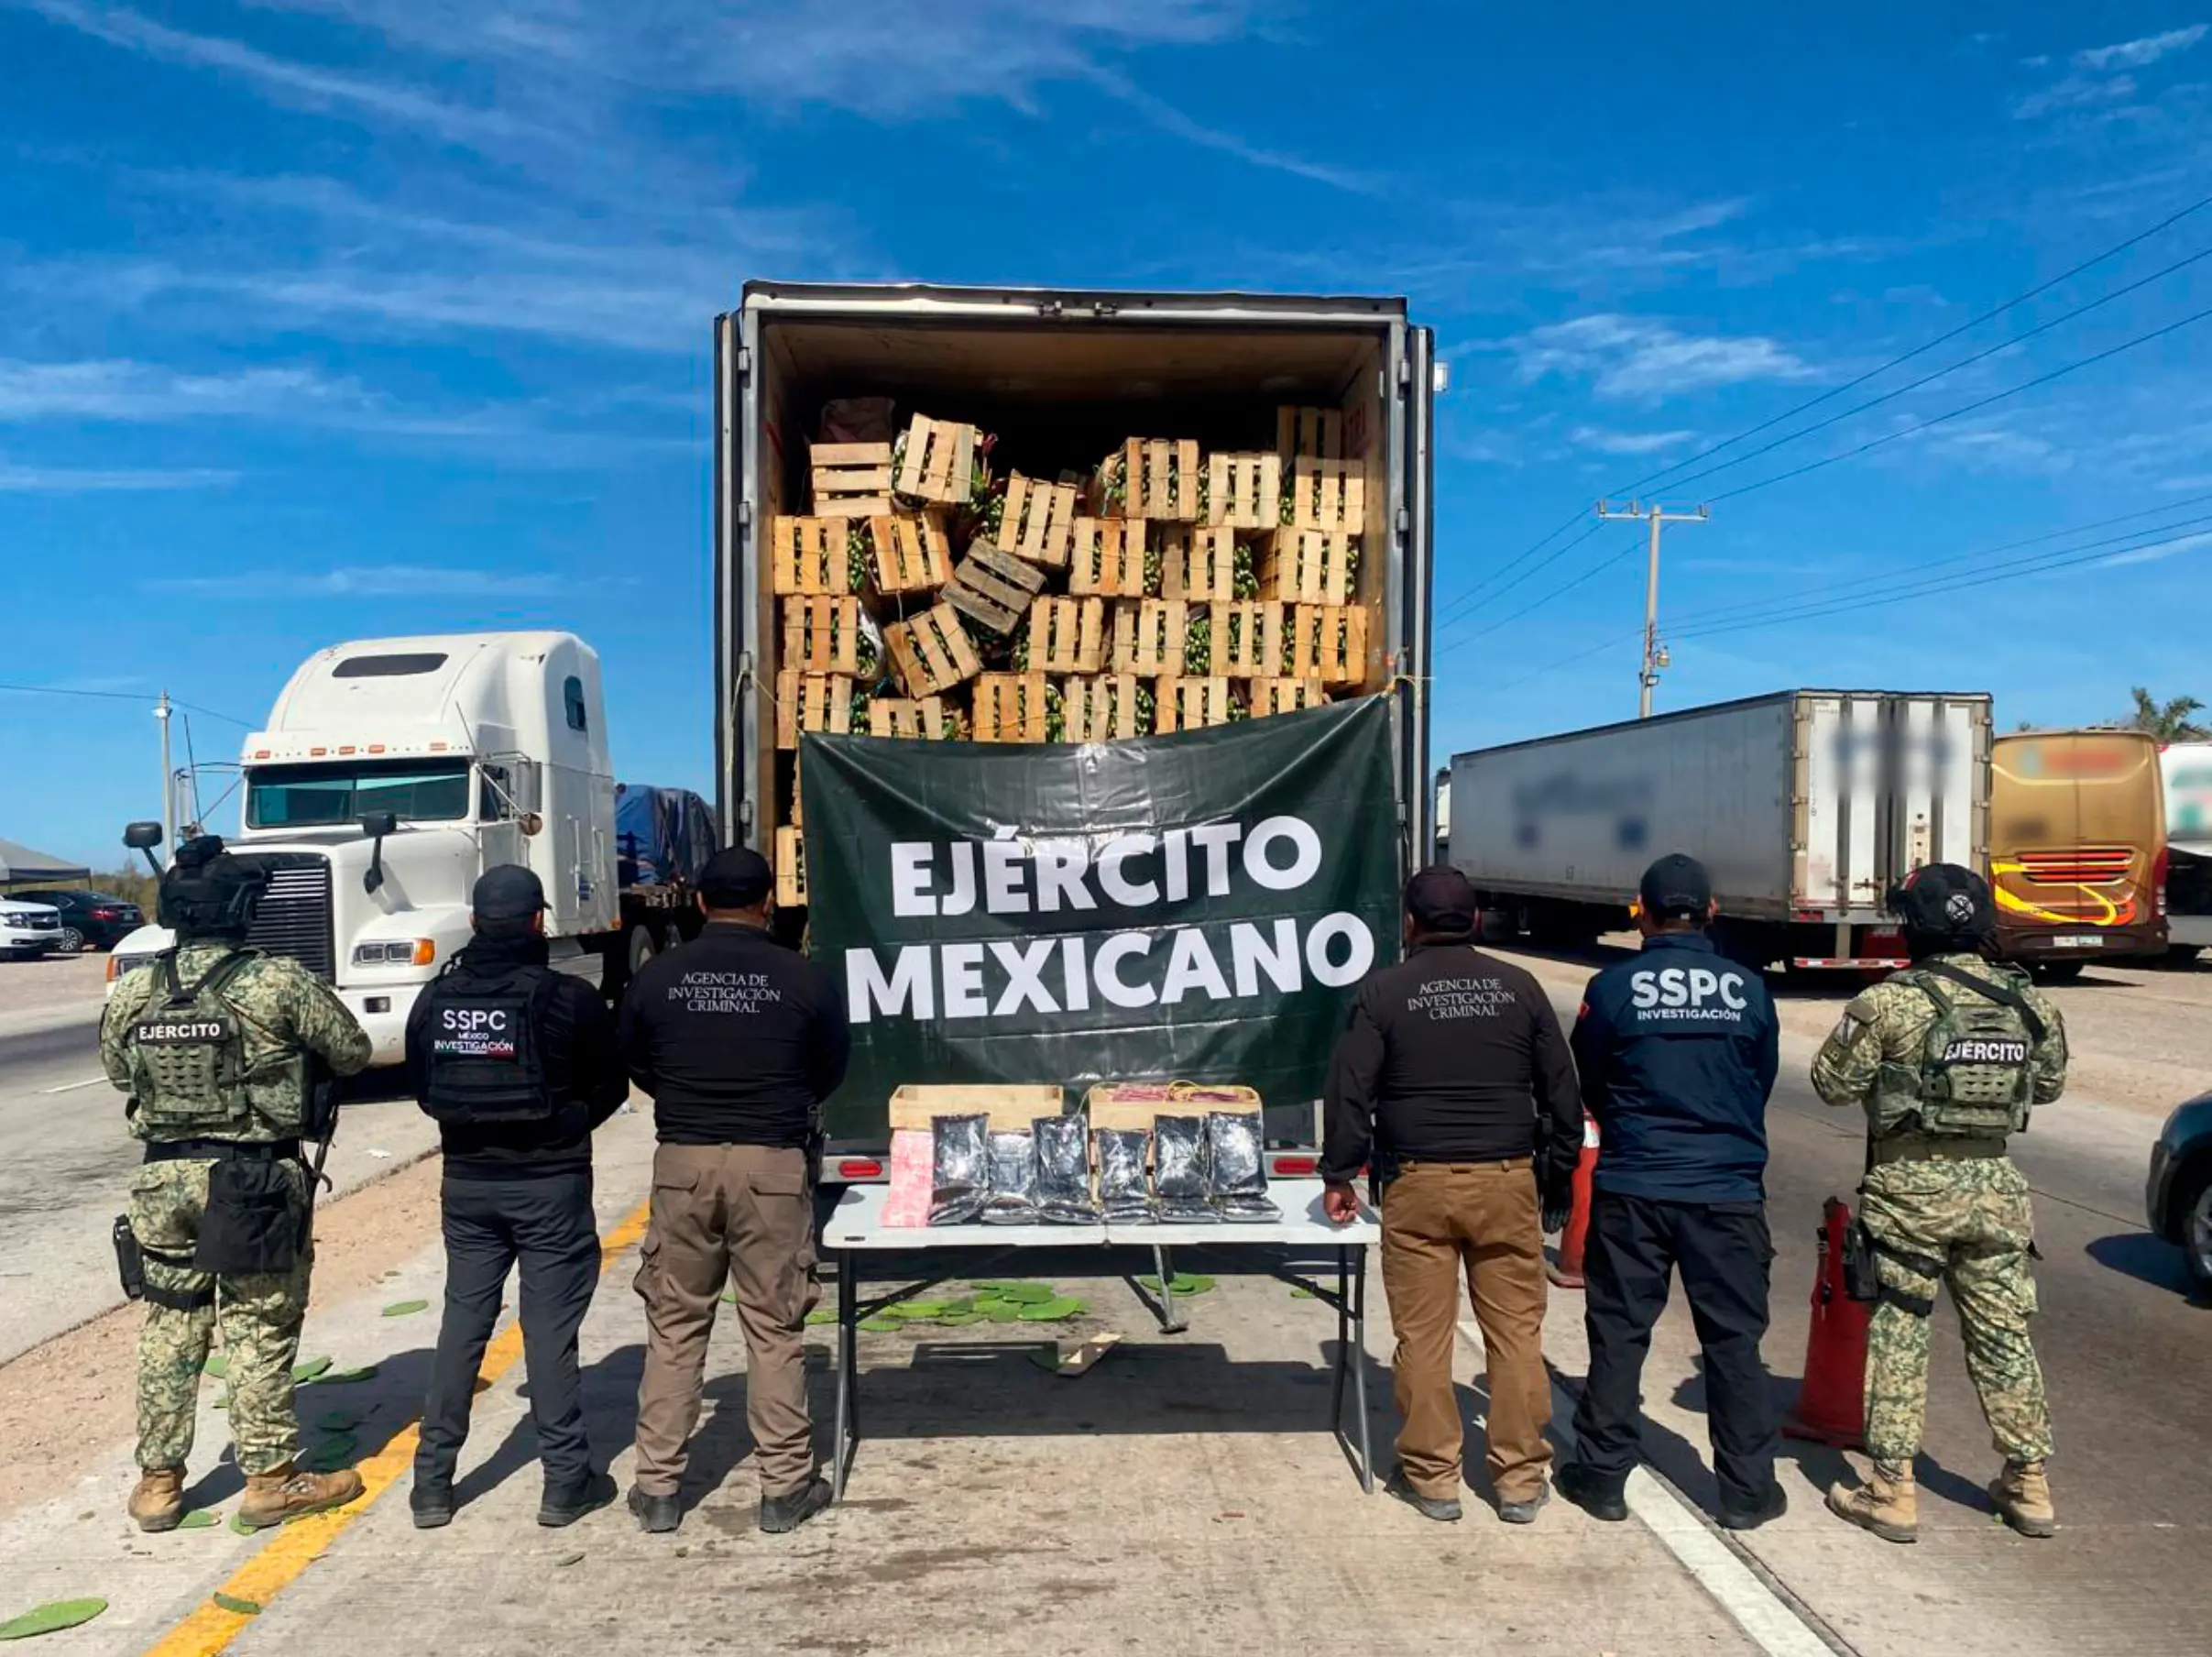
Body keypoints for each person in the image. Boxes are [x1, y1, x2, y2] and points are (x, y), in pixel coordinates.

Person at [100, 834, 373, 1533]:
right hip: (252, 1183)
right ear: (241, 911)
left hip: (163, 1180)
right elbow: (352, 1050)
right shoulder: (276, 981)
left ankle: (158, 1485)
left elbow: (120, 1074)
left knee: (170, 1326)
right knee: (256, 1328)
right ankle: (272, 1480)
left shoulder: (135, 987)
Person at [1811, 863, 2066, 1544]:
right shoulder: (2027, 1002)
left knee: (1901, 1333)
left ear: (1912, 927)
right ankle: (2029, 1482)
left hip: (1908, 1197)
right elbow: (2047, 1087)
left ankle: (1891, 1490)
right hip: (1995, 1194)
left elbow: (1831, 1083)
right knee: (2003, 1335)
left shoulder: (1892, 1002)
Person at [1321, 866, 1582, 1524]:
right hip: (1505, 1180)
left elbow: (1350, 1090)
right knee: (1517, 1334)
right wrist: (1552, 1175)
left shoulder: (1383, 992)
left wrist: (1339, 1175)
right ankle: (1520, 1480)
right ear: (1473, 921)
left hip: (1417, 1184)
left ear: (1409, 922)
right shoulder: (1518, 988)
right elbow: (1562, 1091)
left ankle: (1433, 1478)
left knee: (1423, 1338)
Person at [617, 846, 850, 1537]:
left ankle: (658, 1489)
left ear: (698, 903)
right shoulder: (803, 978)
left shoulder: (657, 977)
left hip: (683, 1163)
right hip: (773, 1167)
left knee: (675, 1326)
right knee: (775, 1328)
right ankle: (784, 1488)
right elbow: (829, 1067)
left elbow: (635, 1060)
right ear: (766, 903)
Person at [1552, 853, 1787, 1531]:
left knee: (1620, 1335)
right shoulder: (1748, 989)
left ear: (1642, 911)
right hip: (1727, 1190)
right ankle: (1746, 1490)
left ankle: (1601, 1478)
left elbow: (1588, 1080)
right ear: (1711, 911)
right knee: (1734, 1343)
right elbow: (1758, 1078)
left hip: (1635, 1186)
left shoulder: (1615, 987)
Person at [403, 865, 631, 1531]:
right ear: (539, 922)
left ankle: (431, 1485)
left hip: (468, 1186)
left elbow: (424, 1090)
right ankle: (565, 1482)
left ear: (475, 923)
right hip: (550, 1186)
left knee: (461, 1328)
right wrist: (564, 1126)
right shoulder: (569, 998)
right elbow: (612, 1085)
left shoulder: (435, 1001)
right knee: (549, 1334)